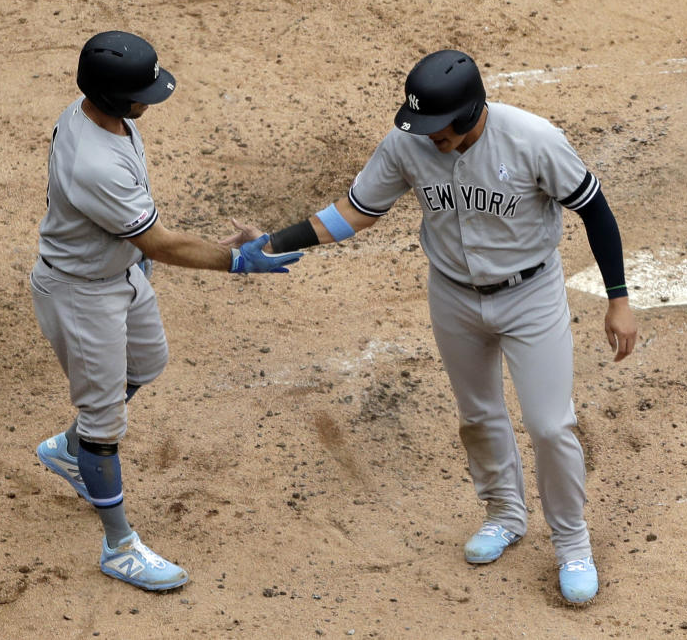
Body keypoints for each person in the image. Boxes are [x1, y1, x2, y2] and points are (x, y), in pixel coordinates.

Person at [223, 49, 637, 604]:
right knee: (478, 414)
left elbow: (596, 210)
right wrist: (272, 242)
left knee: (549, 424)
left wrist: (618, 299)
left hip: (531, 295)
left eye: (437, 128)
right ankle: (505, 514)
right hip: (453, 295)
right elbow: (354, 212)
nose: (427, 138)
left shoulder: (534, 140)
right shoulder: (409, 143)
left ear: (469, 115)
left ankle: (572, 542)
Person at [32, 31, 302, 591]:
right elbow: (158, 241)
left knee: (147, 364)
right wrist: (236, 261)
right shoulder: (95, 163)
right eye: (142, 91)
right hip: (83, 296)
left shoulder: (103, 119)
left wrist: (137, 260)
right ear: (111, 96)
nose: (150, 100)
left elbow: (142, 240)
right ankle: (119, 546)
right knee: (106, 424)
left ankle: (68, 449)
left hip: (120, 273)